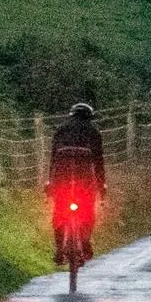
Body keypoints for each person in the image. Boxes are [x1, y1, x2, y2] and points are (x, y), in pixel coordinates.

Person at [47, 103, 107, 266]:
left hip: (61, 176)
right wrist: (102, 186)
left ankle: (59, 248)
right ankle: (85, 242)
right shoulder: (93, 131)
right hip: (84, 177)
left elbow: (52, 160)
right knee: (88, 209)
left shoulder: (60, 130)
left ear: (71, 115)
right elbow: (99, 162)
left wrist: (50, 182)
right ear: (89, 117)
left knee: (59, 210)